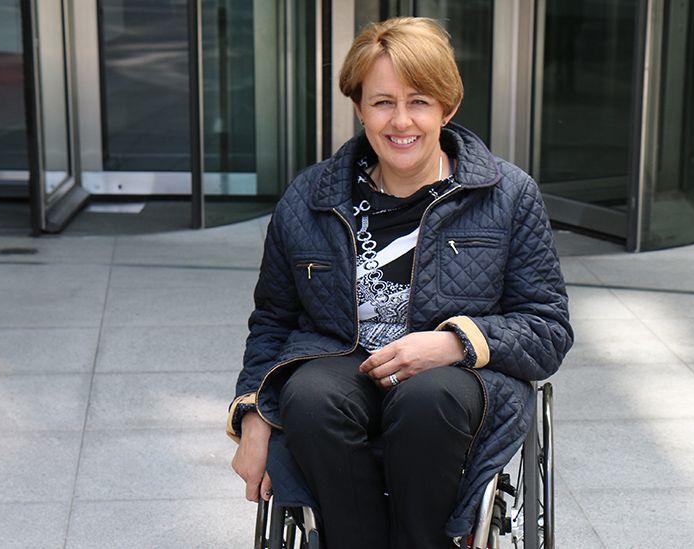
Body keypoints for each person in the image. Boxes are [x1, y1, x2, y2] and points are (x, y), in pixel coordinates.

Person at [228, 17, 572, 549]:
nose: (401, 120)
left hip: (460, 379)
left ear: (446, 108)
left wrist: (454, 342)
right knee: (311, 397)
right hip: (341, 361)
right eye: (382, 102)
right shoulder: (309, 197)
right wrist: (252, 414)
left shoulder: (507, 196)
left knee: (424, 399)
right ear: (360, 108)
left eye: (419, 101)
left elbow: (547, 329)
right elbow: (273, 320)